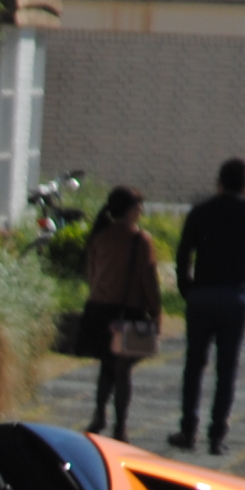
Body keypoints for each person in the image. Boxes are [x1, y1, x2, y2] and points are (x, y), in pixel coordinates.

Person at [171, 157, 245, 455]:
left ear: (218, 181)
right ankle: (217, 435)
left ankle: (188, 429)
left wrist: (186, 288)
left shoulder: (201, 211)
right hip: (234, 297)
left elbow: (183, 253)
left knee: (194, 365)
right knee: (227, 368)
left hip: (202, 295)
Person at [76, 187, 161, 442]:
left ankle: (99, 414)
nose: (141, 211)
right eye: (138, 206)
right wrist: (156, 311)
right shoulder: (139, 240)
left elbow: (92, 275)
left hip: (99, 309)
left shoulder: (99, 237)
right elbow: (149, 279)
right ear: (131, 210)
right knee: (122, 371)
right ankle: (120, 426)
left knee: (106, 366)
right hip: (127, 312)